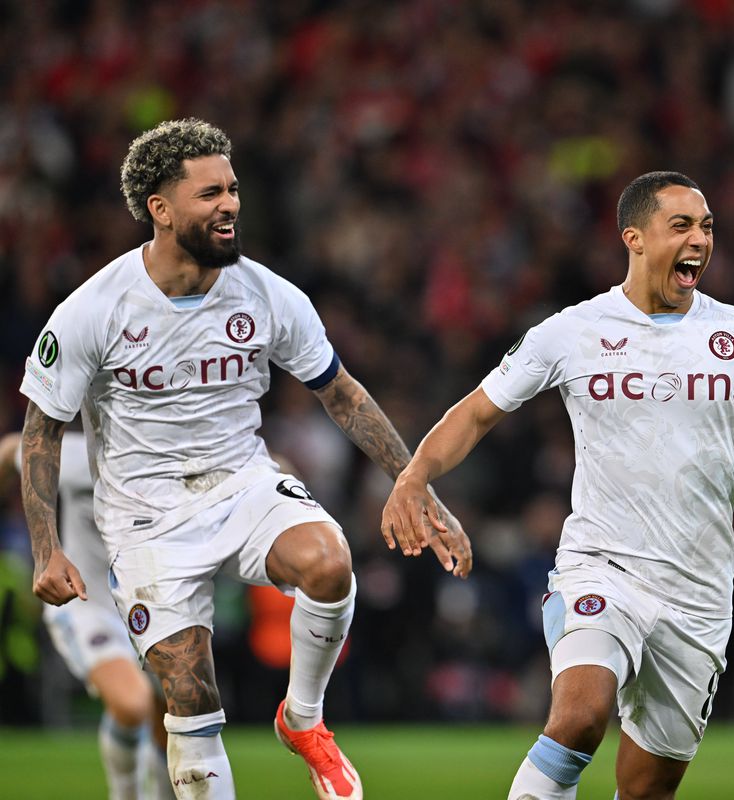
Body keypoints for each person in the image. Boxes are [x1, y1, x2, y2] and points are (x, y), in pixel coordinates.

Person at [18, 118, 471, 800]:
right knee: (191, 701)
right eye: (209, 194)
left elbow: (342, 396)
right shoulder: (93, 309)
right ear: (159, 209)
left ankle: (304, 719)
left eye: (232, 189)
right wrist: (47, 549)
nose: (229, 204)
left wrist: (415, 485)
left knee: (330, 560)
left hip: (243, 483)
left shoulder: (268, 294)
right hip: (146, 518)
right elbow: (40, 434)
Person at [379, 171, 734, 800]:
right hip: (602, 566)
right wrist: (414, 475)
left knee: (646, 789)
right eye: (682, 226)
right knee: (579, 717)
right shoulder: (572, 330)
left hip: (699, 593)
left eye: (707, 227)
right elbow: (479, 410)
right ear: (635, 238)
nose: (700, 239)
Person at [0, 431, 173, 800]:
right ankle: (125, 794)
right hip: (87, 607)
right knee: (131, 702)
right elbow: (15, 448)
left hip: (156, 610)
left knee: (174, 721)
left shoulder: (168, 457)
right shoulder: (76, 454)